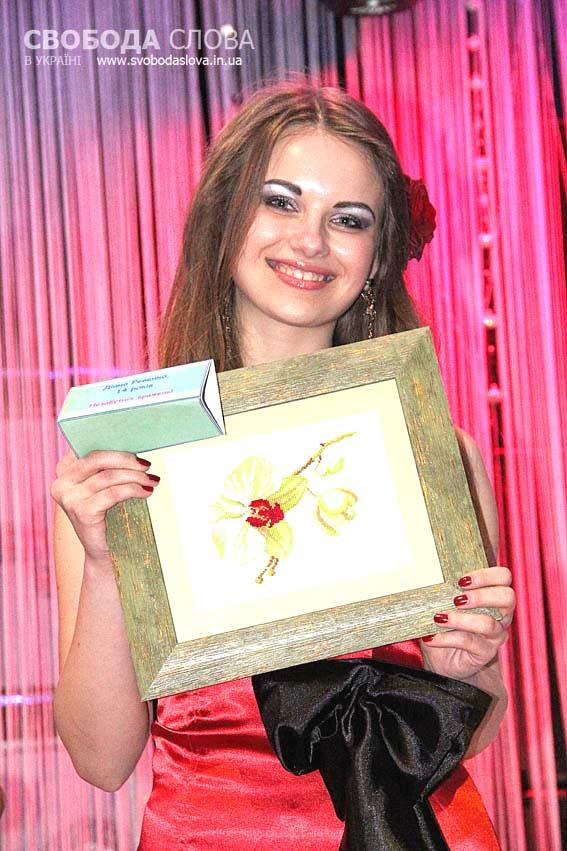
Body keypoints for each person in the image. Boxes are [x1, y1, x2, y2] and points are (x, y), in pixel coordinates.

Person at [51, 80, 515, 850]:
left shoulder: (439, 453)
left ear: (376, 255)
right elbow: (101, 761)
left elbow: (474, 732)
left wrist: (462, 665)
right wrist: (107, 567)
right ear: (223, 219)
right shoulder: (124, 458)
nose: (310, 240)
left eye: (348, 219)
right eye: (280, 201)